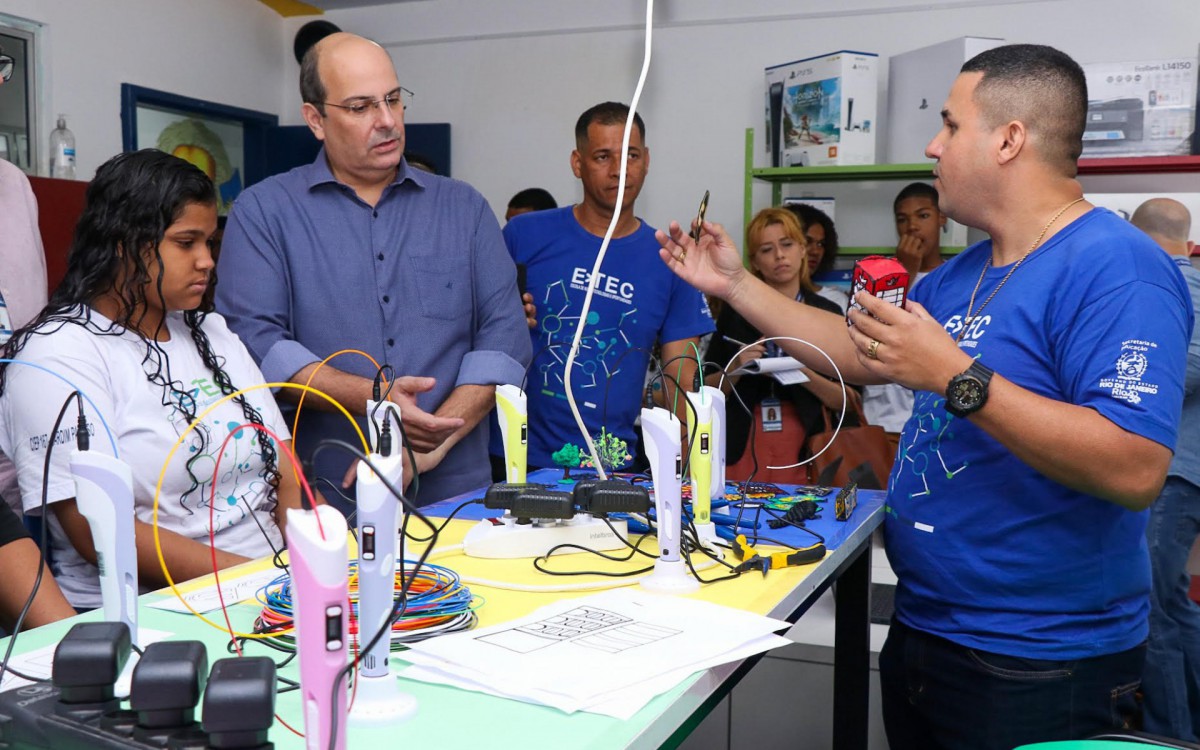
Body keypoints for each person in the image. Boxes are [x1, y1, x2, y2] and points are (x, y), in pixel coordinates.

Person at [657, 44, 1192, 749]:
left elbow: (1134, 467)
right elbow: (859, 350)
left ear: (1009, 139)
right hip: (926, 633)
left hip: (1039, 663)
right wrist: (737, 287)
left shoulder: (1119, 267)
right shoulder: (960, 275)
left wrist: (955, 376)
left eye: (949, 125)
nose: (932, 145)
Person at [215, 33, 531, 505]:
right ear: (315, 119)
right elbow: (254, 342)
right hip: (324, 498)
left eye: (393, 100)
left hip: (456, 497)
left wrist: (431, 444)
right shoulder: (265, 211)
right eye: (361, 107)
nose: (387, 121)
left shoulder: (464, 209)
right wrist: (372, 394)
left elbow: (505, 338)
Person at [0, 150, 302, 611]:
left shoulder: (211, 332)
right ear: (124, 243)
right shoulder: (58, 354)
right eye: (187, 243)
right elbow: (95, 528)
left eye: (209, 243)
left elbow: (284, 466)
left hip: (272, 588)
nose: (207, 262)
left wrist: (310, 564)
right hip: (159, 608)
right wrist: (258, 579)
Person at [503, 101, 713, 472]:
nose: (619, 170)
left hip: (611, 468)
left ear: (646, 160)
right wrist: (504, 318)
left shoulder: (670, 259)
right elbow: (474, 328)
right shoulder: (525, 234)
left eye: (631, 155)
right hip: (514, 458)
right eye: (603, 156)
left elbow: (680, 387)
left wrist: (690, 474)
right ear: (577, 163)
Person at [705, 207, 856, 482]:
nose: (779, 256)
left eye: (787, 244)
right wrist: (736, 368)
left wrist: (801, 372)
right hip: (742, 442)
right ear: (756, 263)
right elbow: (703, 390)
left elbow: (847, 401)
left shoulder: (827, 312)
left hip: (810, 444)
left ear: (802, 250)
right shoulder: (736, 313)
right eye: (766, 249)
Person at [1132, 197, 1200, 741]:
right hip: (1181, 472)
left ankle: (1170, 736)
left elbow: (1184, 373)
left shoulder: (1173, 287)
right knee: (1173, 604)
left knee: (1150, 611)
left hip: (1172, 473)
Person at [861, 182, 949, 453]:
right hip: (882, 420)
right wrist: (903, 273)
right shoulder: (876, 274)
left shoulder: (955, 275)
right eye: (902, 219)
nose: (912, 226)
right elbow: (868, 335)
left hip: (936, 422)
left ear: (942, 218)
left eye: (923, 216)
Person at [784, 202, 847, 312]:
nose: (815, 251)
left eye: (821, 244)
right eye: (807, 241)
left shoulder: (836, 301)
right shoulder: (759, 298)